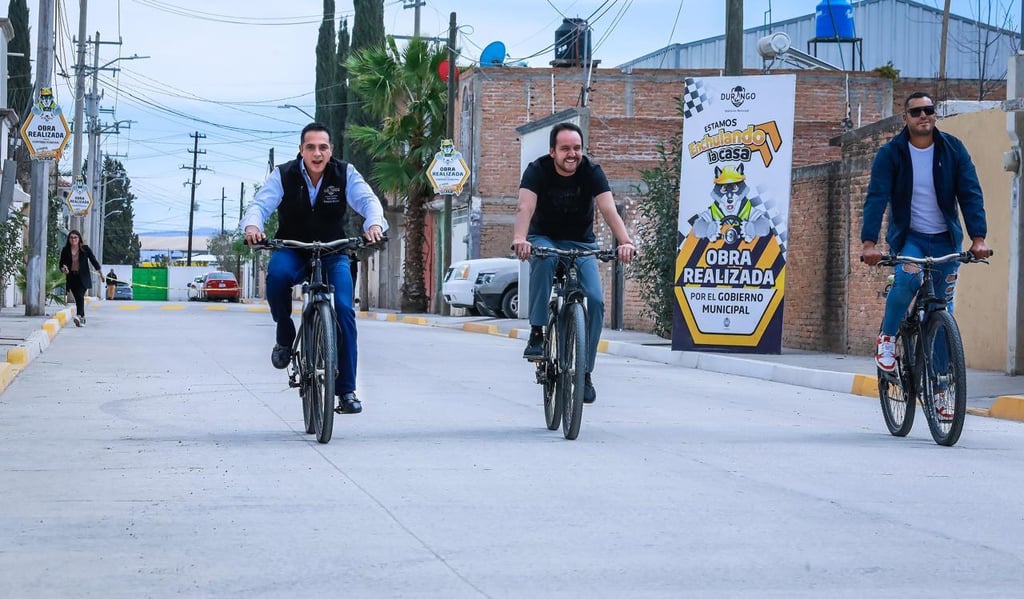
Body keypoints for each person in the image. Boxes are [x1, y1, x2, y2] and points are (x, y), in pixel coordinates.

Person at [241, 122, 387, 415]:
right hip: (293, 248)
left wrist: (374, 223)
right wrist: (253, 226)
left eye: (323, 147)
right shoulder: (283, 174)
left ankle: (346, 391)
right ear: (301, 150)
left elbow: (368, 201)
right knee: (277, 277)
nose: (317, 153)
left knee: (344, 310)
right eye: (311, 147)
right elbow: (260, 204)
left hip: (334, 251)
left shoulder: (344, 173)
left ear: (330, 150)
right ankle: (285, 333)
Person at [861, 91, 991, 415]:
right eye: (916, 111)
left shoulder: (953, 150)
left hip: (946, 239)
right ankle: (888, 339)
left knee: (943, 311)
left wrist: (978, 238)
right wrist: (869, 243)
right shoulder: (891, 154)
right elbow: (877, 197)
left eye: (929, 110)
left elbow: (970, 193)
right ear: (905, 118)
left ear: (935, 115)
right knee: (907, 280)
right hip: (912, 238)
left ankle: (943, 390)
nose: (923, 116)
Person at [512, 122, 636, 404]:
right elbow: (525, 207)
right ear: (552, 151)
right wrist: (521, 237)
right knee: (545, 259)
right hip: (544, 238)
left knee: (595, 300)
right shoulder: (537, 170)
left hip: (582, 243)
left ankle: (585, 372)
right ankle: (537, 332)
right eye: (566, 148)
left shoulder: (591, 172)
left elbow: (608, 208)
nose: (572, 154)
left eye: (577, 148)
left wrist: (625, 241)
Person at [58, 229, 102, 327]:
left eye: (75, 237)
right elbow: (61, 264)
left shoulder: (85, 249)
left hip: (83, 276)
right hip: (71, 277)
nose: (73, 239)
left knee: (80, 296)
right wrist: (63, 268)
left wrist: (101, 273)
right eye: (71, 237)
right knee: (78, 298)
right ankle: (82, 318)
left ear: (79, 239)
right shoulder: (65, 250)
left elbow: (93, 260)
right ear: (69, 239)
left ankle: (78, 315)